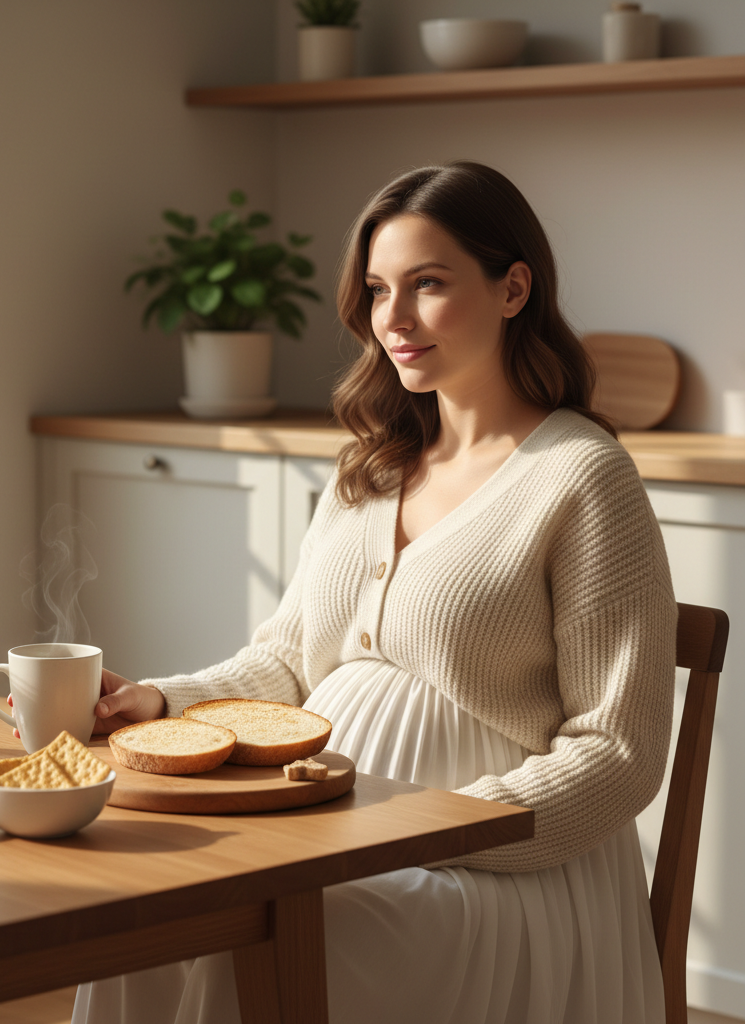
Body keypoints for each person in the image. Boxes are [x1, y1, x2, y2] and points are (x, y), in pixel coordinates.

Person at [73, 162, 676, 1024]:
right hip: (326, 836)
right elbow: (286, 657)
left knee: (253, 934)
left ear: (513, 289)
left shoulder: (582, 478)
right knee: (146, 917)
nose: (392, 319)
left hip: (496, 870)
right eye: (378, 290)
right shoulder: (373, 460)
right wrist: (164, 701)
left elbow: (620, 749)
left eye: (427, 285)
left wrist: (442, 824)